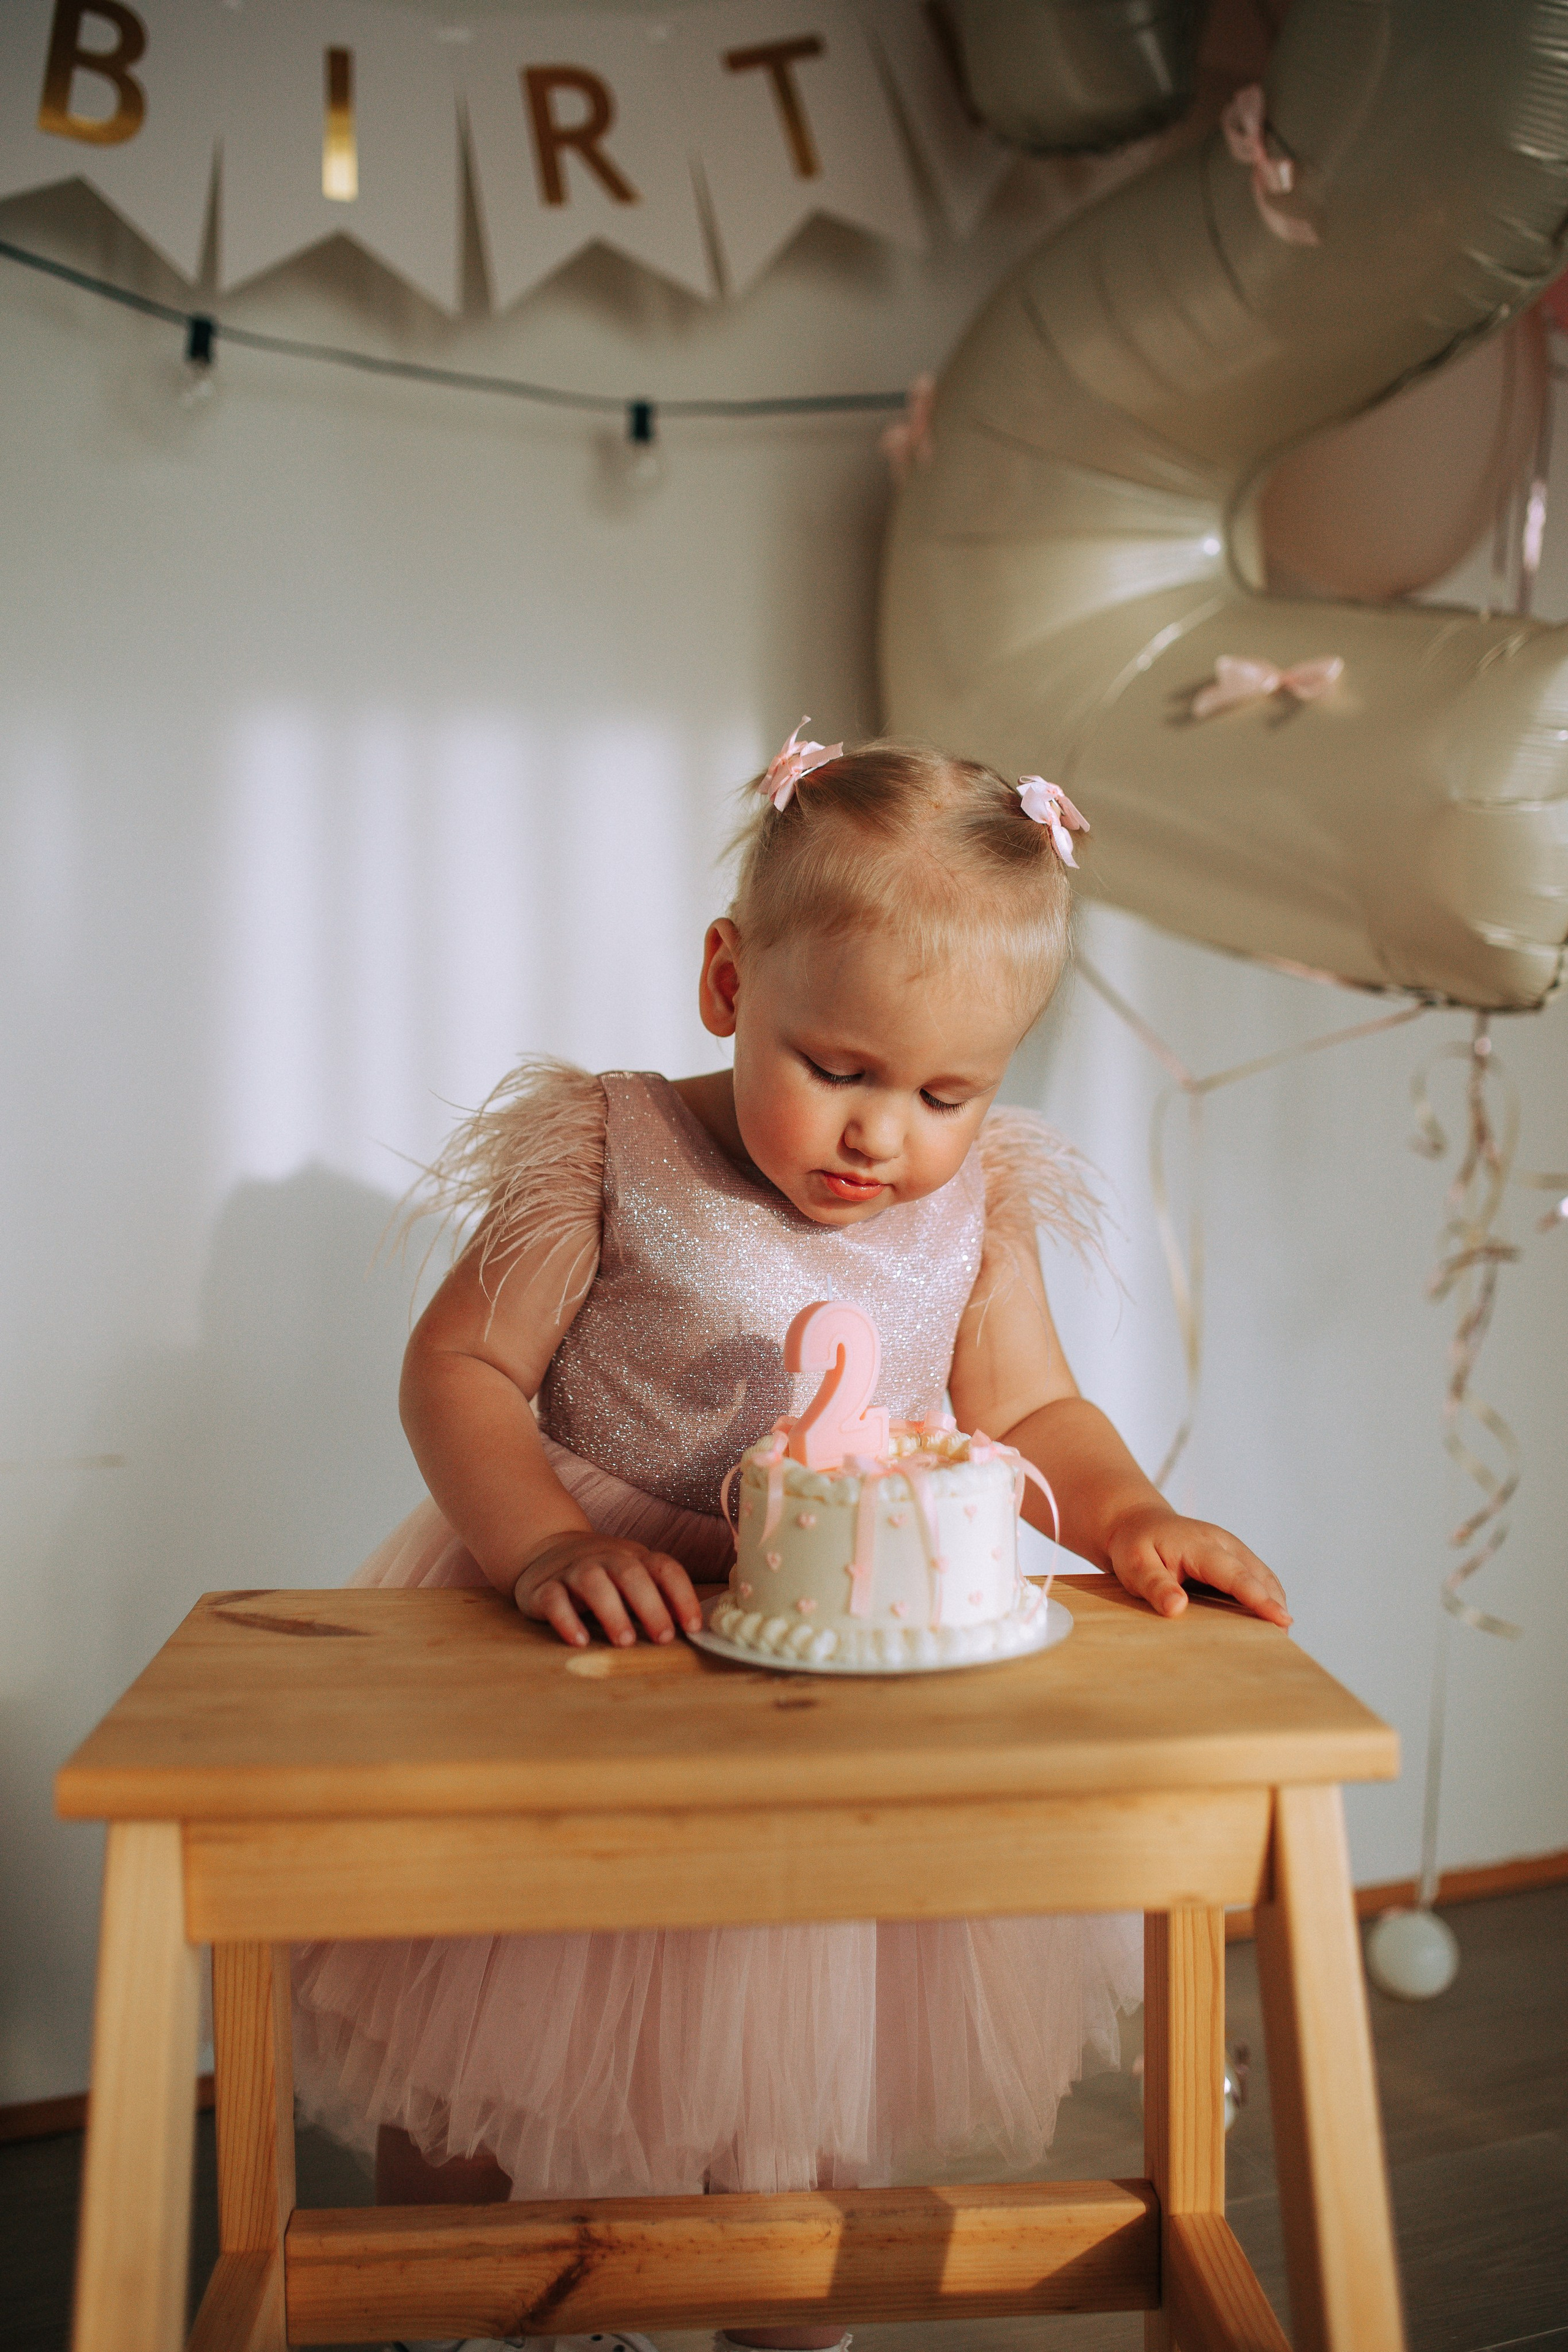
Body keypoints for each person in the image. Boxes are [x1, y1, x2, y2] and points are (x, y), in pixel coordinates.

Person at [292, 728, 1290, 2352]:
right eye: (838, 1065)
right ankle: (466, 2300)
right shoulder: (611, 1149)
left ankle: (784, 2314)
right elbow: (459, 1368)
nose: (880, 1135)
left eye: (946, 1091)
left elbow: (1036, 1416)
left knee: (810, 2034)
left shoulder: (977, 1215)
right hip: (581, 1638)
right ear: (724, 978)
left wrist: (1135, 1518)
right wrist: (540, 1542)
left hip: (835, 1672)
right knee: (492, 2017)